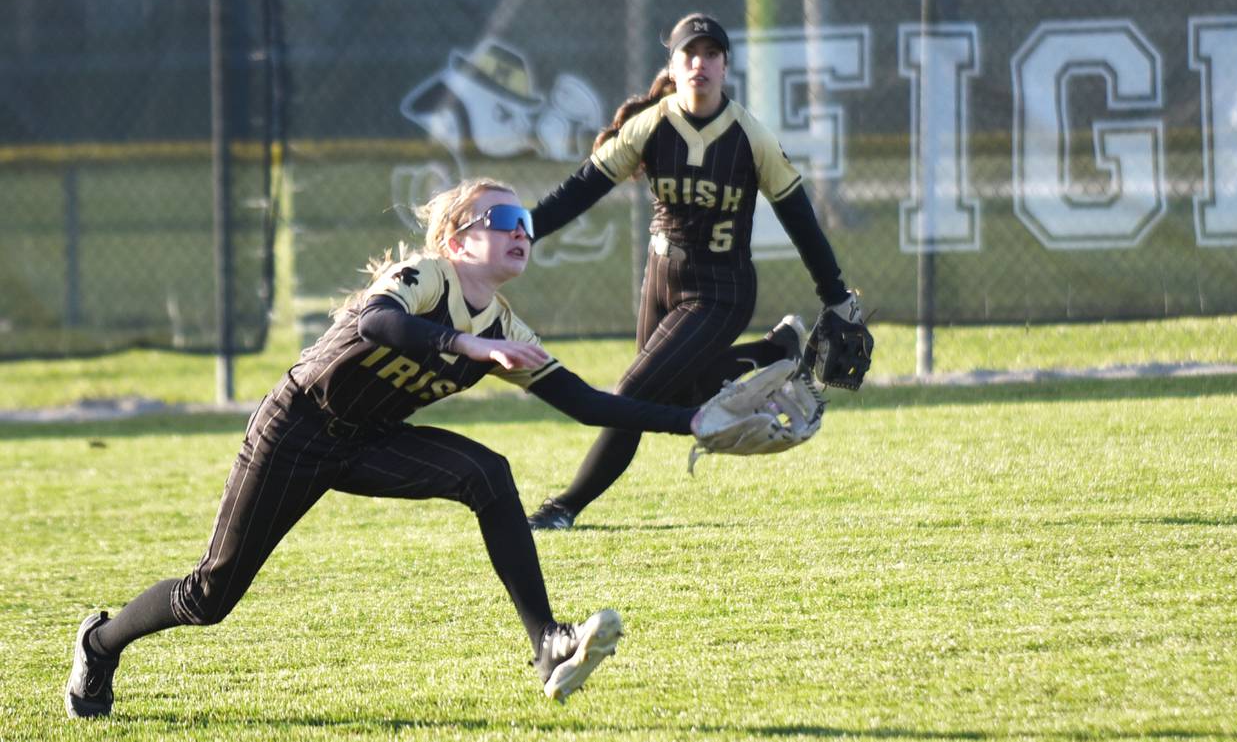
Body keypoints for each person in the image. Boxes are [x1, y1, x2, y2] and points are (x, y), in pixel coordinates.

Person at [64, 177, 772, 719]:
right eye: (503, 220)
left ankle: (549, 642)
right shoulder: (426, 276)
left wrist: (698, 422)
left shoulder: (503, 320)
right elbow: (377, 324)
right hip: (296, 426)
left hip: (369, 441)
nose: (521, 232)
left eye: (526, 223)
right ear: (458, 238)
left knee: (487, 472)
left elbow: (590, 404)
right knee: (209, 595)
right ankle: (99, 643)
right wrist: (464, 343)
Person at [526, 12, 862, 532]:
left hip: (719, 289)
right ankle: (773, 352)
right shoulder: (653, 124)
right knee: (665, 396)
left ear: (726, 66)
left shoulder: (750, 136)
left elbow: (800, 218)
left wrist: (834, 293)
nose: (699, 62)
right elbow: (579, 191)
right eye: (689, 53)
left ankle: (565, 507)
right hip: (660, 282)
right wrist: (521, 229)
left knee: (629, 396)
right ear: (673, 64)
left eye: (710, 53)